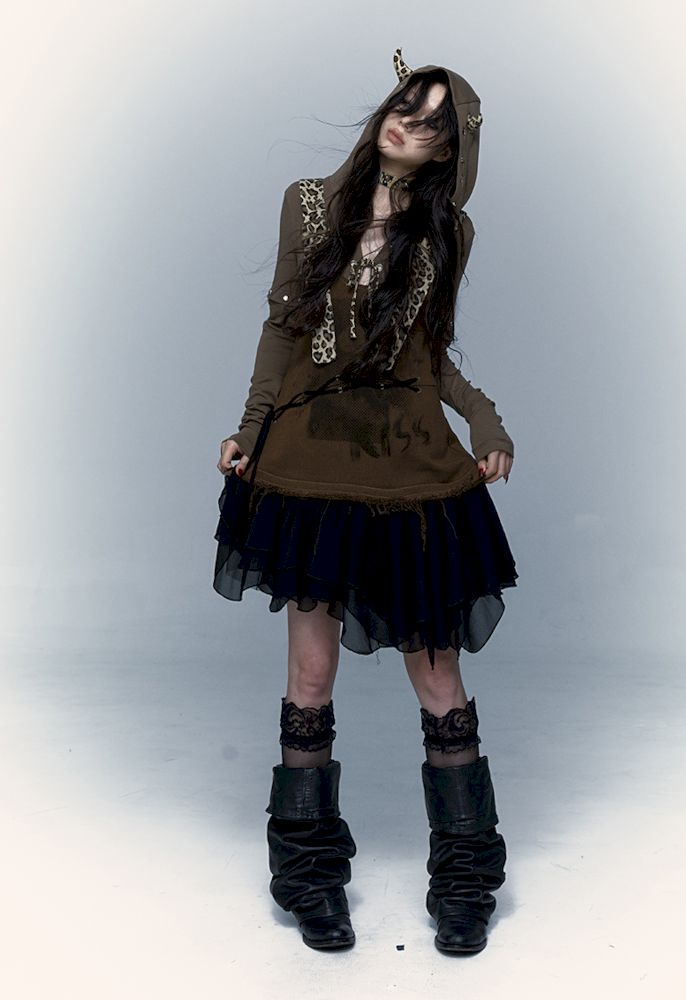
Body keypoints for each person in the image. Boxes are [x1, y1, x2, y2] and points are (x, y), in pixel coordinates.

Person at [212, 48, 519, 955]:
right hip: (311, 458)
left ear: (449, 149)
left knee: (439, 678)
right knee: (310, 677)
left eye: (430, 120)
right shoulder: (309, 202)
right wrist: (249, 426)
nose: (406, 122)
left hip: (407, 455)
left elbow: (433, 355)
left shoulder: (451, 233)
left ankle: (465, 876)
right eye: (404, 104)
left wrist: (485, 420)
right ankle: (308, 871)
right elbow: (283, 326)